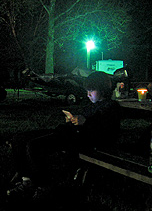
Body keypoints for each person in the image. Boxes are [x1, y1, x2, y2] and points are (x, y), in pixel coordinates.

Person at [7, 71, 122, 199]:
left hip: (78, 139)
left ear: (103, 89)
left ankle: (44, 185)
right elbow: (84, 119)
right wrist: (73, 120)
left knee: (34, 146)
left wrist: (85, 122)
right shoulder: (91, 105)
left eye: (92, 90)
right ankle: (26, 180)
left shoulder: (110, 106)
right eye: (87, 90)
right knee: (18, 139)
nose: (88, 94)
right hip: (66, 132)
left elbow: (105, 131)